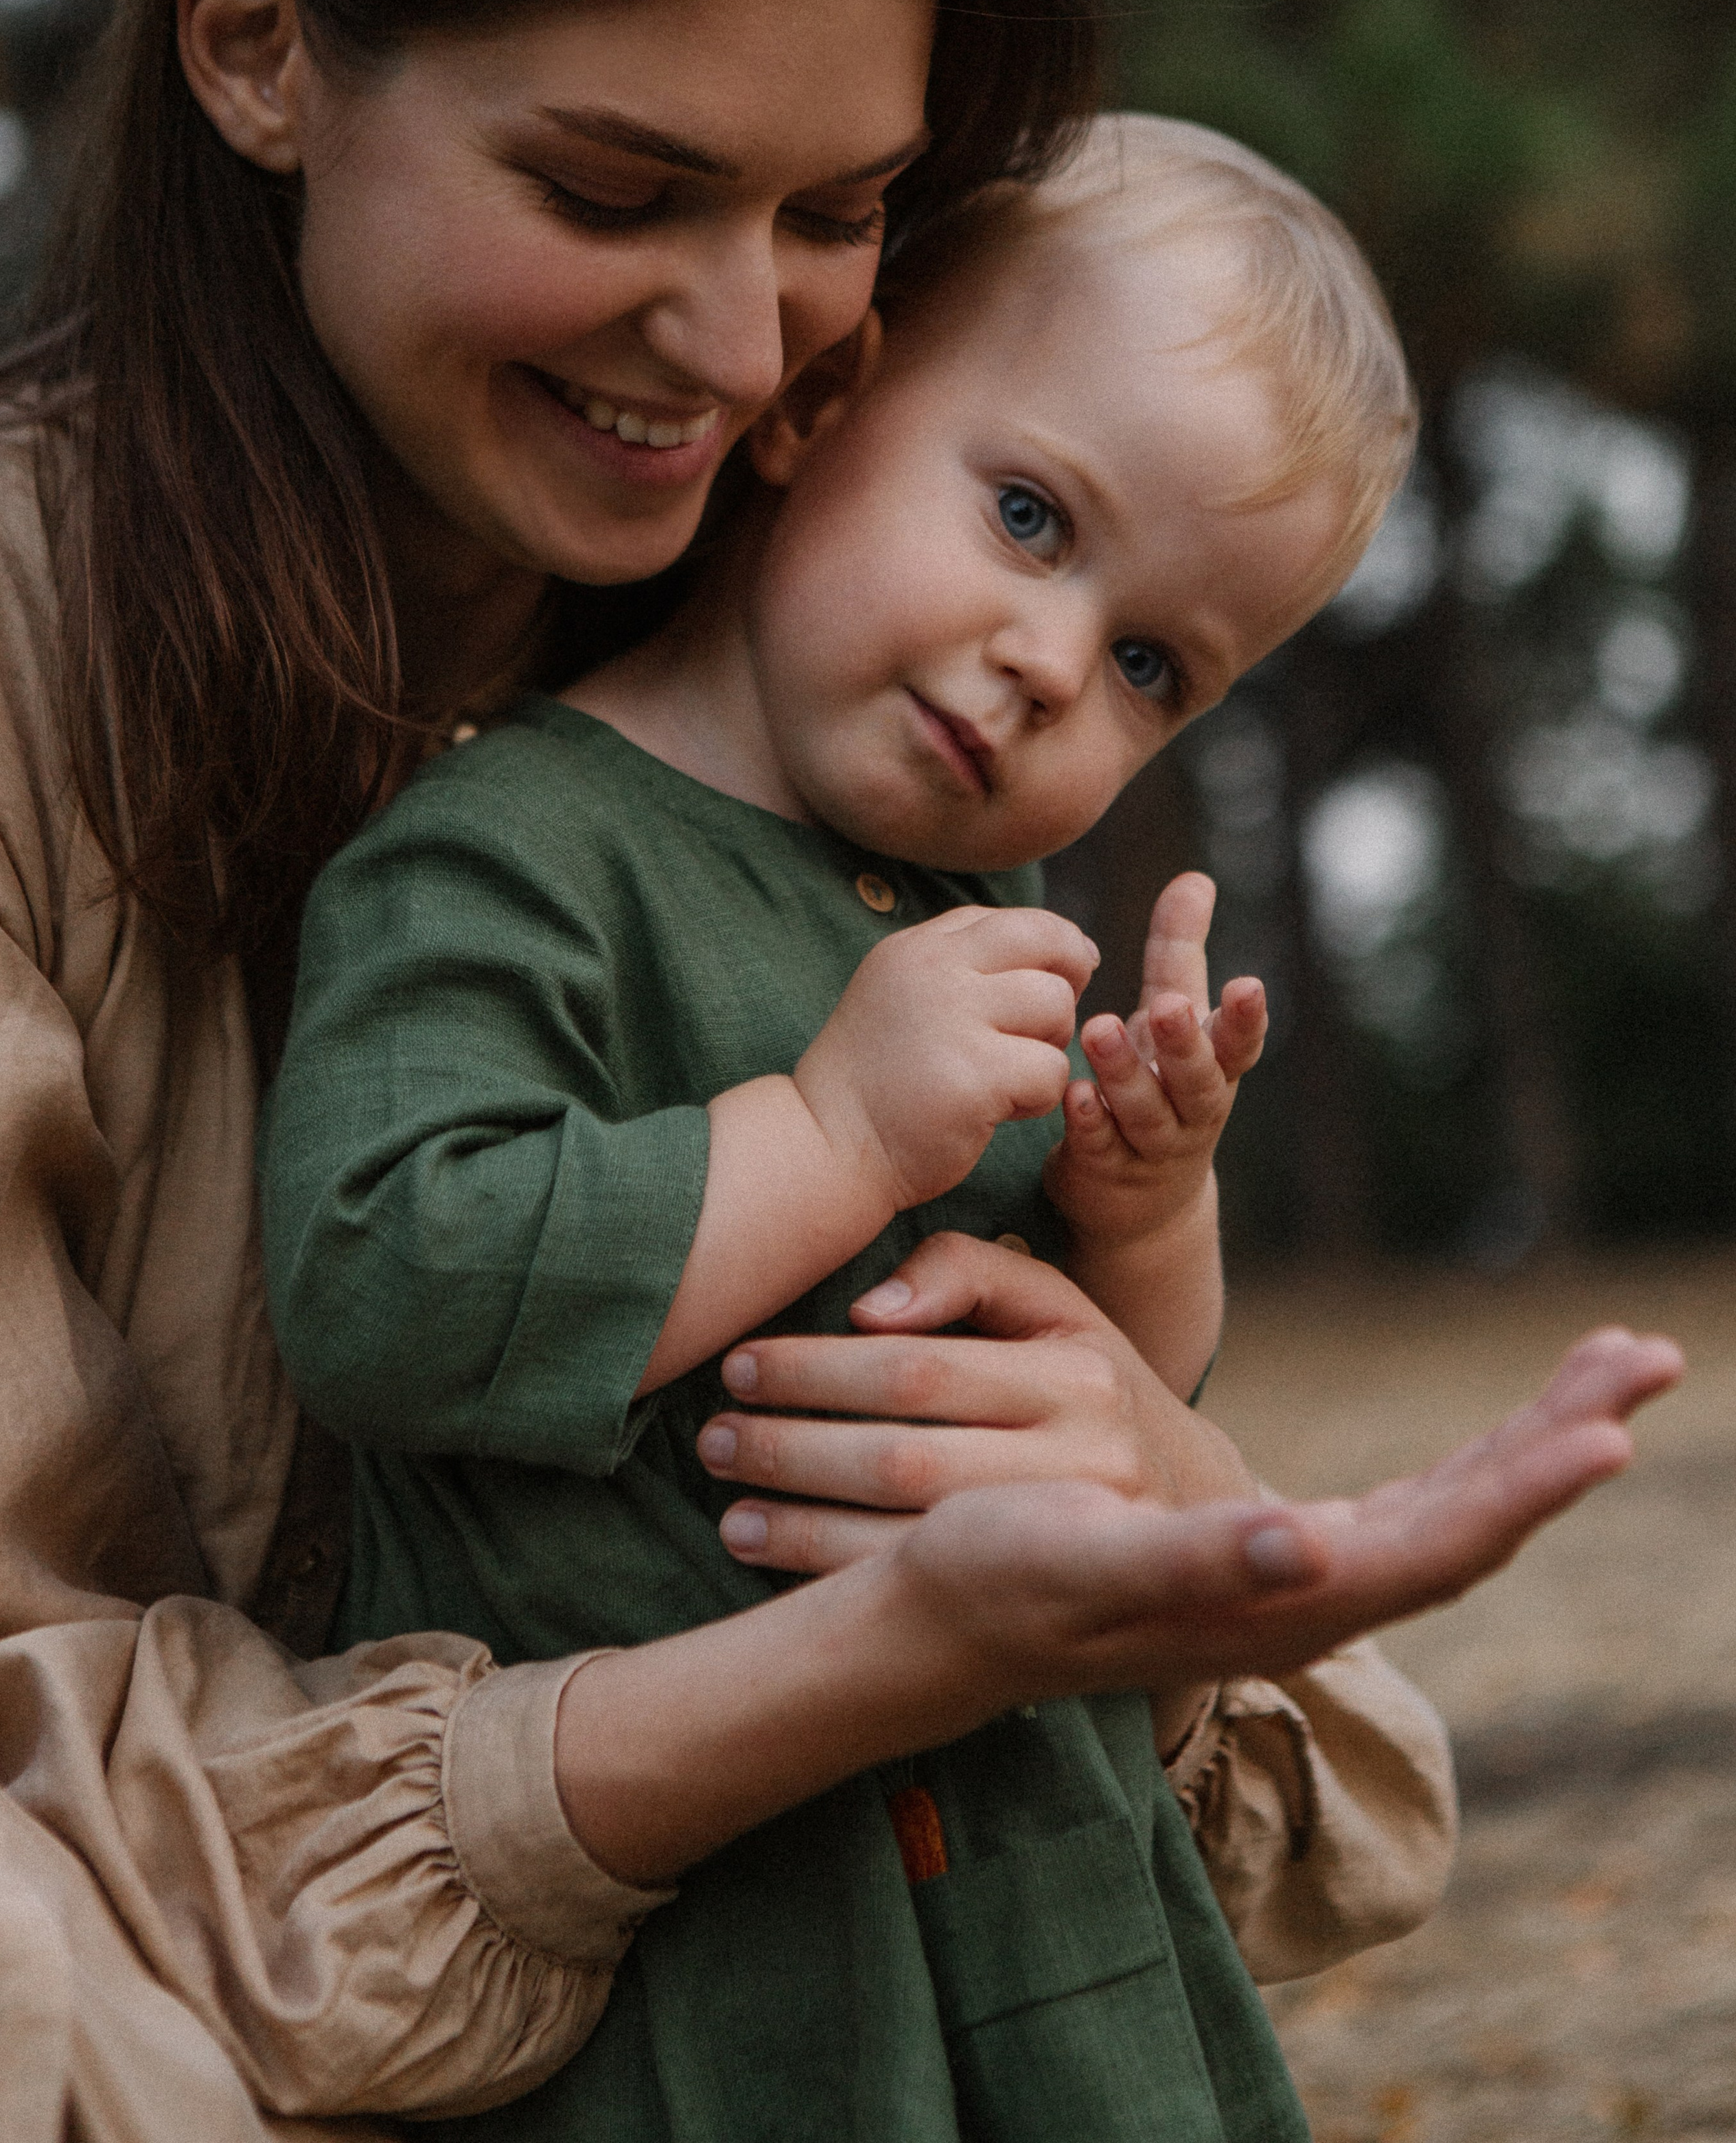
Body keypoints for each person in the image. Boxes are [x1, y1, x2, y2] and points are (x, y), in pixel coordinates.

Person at [0, 0, 1680, 2139]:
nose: (739, 338)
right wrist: (856, 1655)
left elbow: (1298, 1777)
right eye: (613, 189)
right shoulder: (87, 687)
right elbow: (49, 1825)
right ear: (254, 45)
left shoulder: (849, 771)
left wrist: (1132, 1400)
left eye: (842, 216)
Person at [255, 117, 1591, 2142]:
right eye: (1035, 519)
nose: (1054, 663)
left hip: (1066, 1945)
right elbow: (382, 1286)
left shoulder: (993, 942)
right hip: (721, 1988)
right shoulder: (506, 849)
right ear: (822, 399)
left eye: (1156, 665)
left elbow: (1095, 1423)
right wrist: (826, 1132)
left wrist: (1139, 1220)